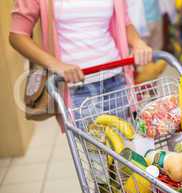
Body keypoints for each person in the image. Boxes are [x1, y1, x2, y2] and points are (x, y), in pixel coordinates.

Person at [9, 0, 153, 128]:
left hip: (116, 80)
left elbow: (124, 22)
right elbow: (17, 36)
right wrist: (56, 65)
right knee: (94, 155)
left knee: (123, 149)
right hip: (77, 90)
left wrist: (137, 42)